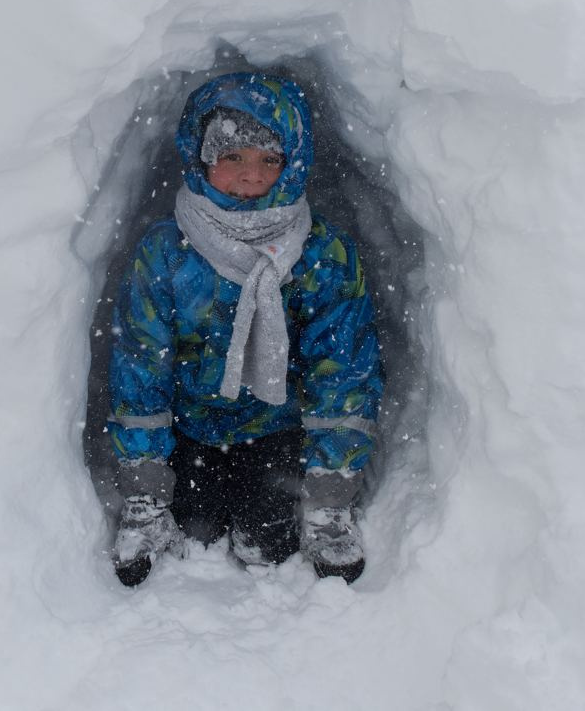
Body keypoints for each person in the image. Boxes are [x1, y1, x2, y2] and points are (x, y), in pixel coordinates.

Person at [106, 72, 384, 587]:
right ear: (200, 157)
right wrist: (145, 482)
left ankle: (307, 511)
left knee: (268, 546)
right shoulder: (167, 252)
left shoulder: (322, 252)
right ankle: (158, 509)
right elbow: (140, 363)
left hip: (276, 428)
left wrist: (329, 490)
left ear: (292, 163)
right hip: (189, 428)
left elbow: (343, 368)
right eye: (232, 157)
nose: (251, 176)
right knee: (197, 534)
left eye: (268, 159)